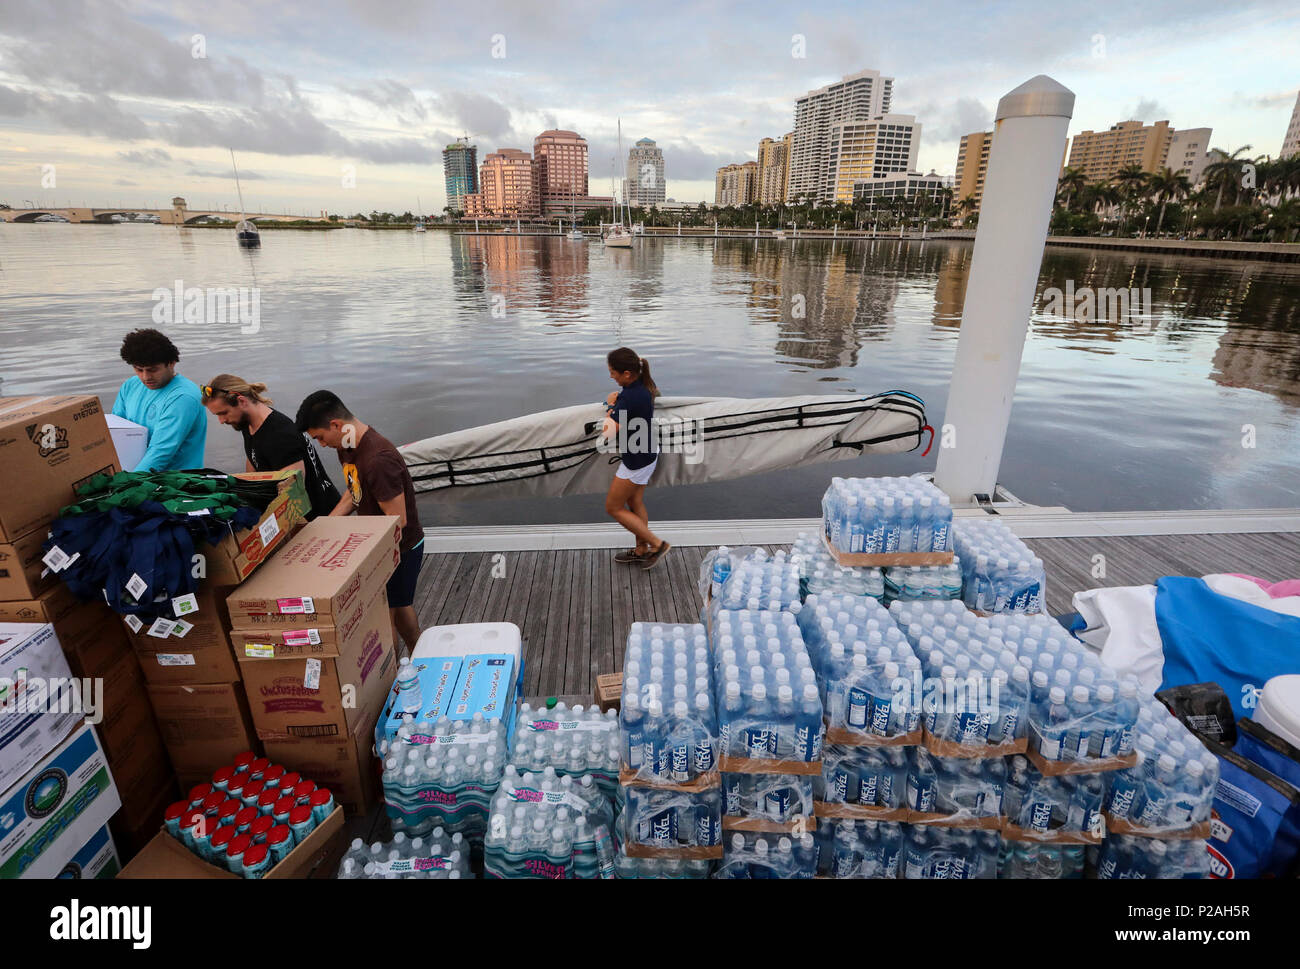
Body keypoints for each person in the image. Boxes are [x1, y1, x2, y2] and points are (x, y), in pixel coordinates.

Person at [295, 390, 423, 654]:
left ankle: (393, 673)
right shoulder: (349, 447)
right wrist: (322, 528)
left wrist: (358, 555)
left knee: (383, 614)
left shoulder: (378, 460)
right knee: (399, 606)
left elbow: (396, 522)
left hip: (400, 548)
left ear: (335, 425)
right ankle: (419, 652)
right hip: (383, 545)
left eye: (319, 437)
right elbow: (355, 494)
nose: (320, 444)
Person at [201, 374, 341, 519]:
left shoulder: (279, 435)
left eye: (223, 413)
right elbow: (253, 460)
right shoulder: (247, 423)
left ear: (241, 401)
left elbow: (294, 493)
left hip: (318, 517)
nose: (221, 421)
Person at [603, 346, 670, 569]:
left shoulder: (628, 398)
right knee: (634, 501)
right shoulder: (645, 386)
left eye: (613, 372)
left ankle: (657, 545)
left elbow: (608, 432)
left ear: (627, 374)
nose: (611, 376)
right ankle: (642, 550)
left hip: (637, 460)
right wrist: (619, 400)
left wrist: (611, 404)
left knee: (613, 507)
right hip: (648, 452)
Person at [111, 328, 207, 472]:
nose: (145, 377)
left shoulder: (183, 397)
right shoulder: (131, 385)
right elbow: (115, 431)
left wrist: (127, 484)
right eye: (139, 369)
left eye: (152, 370)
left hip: (176, 481)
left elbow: (161, 452)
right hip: (136, 473)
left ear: (172, 363)